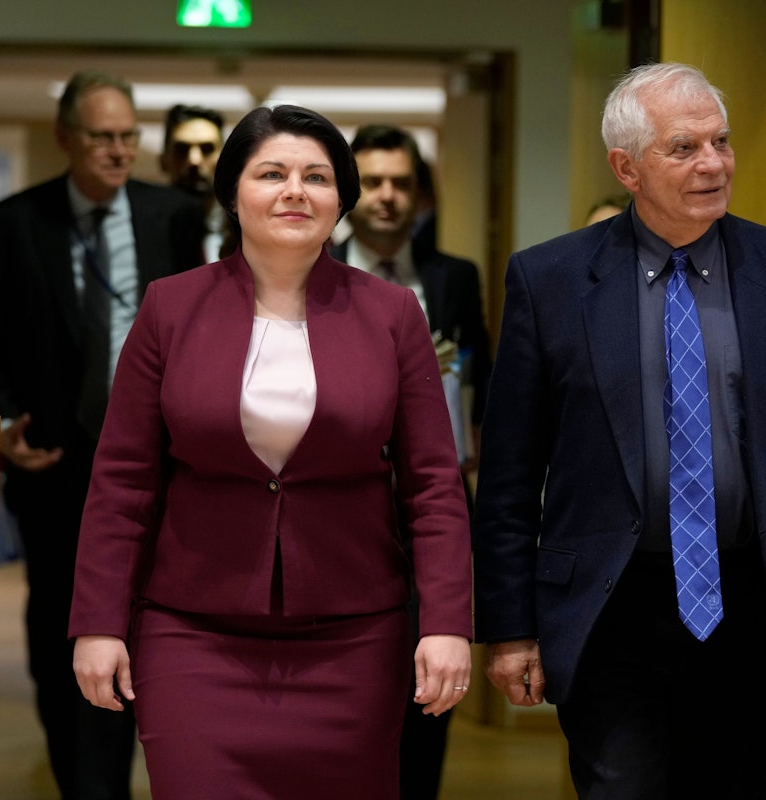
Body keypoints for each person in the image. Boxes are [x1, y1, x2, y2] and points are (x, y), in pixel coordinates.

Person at [472, 62, 766, 799]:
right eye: (683, 148)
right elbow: (510, 475)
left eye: (721, 142)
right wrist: (510, 626)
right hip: (609, 605)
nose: (713, 163)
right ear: (627, 169)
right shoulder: (549, 283)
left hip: (747, 604)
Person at [68, 104, 473, 800]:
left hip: (353, 639)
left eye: (316, 176)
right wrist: (98, 624)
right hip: (192, 635)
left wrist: (446, 624)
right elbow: (123, 481)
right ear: (233, 193)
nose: (295, 191)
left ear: (340, 199)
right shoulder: (169, 308)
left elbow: (432, 484)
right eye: (272, 173)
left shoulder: (393, 313)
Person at [0, 70, 204, 799]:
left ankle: (116, 774)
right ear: (65, 138)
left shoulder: (173, 217)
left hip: (157, 463)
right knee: (56, 627)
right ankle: (82, 780)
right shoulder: (17, 222)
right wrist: (4, 424)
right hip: (56, 462)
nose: (118, 150)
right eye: (102, 137)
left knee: (142, 622)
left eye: (129, 136)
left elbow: (204, 331)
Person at [329, 122, 491, 800]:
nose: (387, 196)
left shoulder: (454, 277)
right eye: (372, 182)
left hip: (433, 505)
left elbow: (480, 373)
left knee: (429, 691)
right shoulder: (313, 273)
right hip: (339, 515)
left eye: (401, 183)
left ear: (420, 194)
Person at [159, 103, 232, 262]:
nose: (194, 160)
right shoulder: (146, 229)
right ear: (163, 160)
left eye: (207, 149)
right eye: (182, 149)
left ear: (225, 160)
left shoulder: (243, 228)